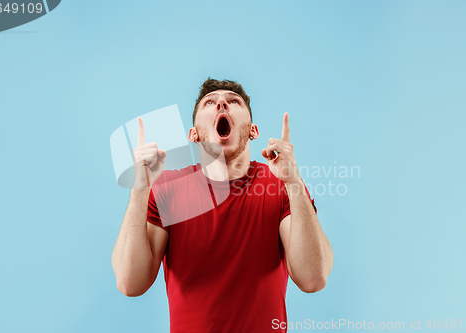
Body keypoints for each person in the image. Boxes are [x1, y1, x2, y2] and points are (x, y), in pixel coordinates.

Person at [111, 78, 333, 332]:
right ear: (193, 134)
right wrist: (140, 188)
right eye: (210, 103)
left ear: (253, 131)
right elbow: (130, 283)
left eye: (234, 101)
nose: (222, 105)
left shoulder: (281, 185)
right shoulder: (167, 189)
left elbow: (313, 279)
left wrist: (294, 181)